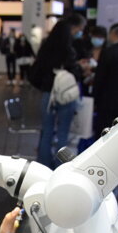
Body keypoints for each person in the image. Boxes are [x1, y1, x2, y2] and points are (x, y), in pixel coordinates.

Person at [28, 13, 86, 168]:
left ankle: (43, 165)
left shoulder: (46, 47)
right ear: (73, 28)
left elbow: (36, 71)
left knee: (46, 131)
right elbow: (75, 72)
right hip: (65, 95)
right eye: (78, 30)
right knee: (63, 133)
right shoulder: (68, 50)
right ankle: (61, 167)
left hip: (48, 94)